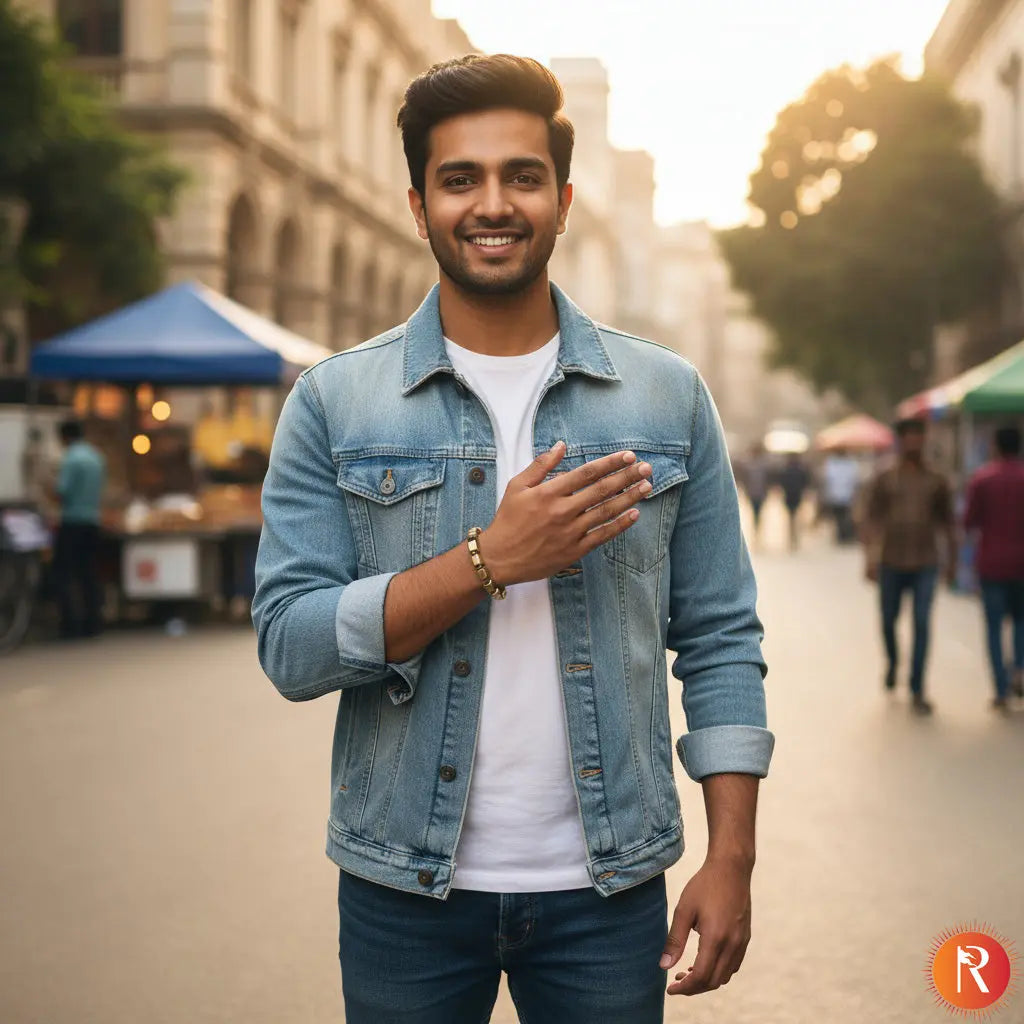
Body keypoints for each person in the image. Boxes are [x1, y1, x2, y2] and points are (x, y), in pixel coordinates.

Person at [252, 55, 774, 1024]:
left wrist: (731, 855)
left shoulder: (665, 395)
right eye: (461, 179)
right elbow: (291, 645)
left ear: (563, 201)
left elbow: (719, 637)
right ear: (419, 206)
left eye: (521, 176)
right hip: (402, 892)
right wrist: (487, 560)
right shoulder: (335, 400)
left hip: (608, 897)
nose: (492, 204)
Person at [863, 418, 956, 714]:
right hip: (890, 559)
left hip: (925, 561)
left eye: (918, 436)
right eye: (909, 437)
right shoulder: (885, 477)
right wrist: (869, 557)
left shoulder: (937, 479)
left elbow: (948, 522)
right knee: (888, 620)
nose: (914, 442)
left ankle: (918, 687)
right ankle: (893, 662)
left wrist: (952, 561)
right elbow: (871, 517)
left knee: (922, 622)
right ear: (900, 440)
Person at [963, 425, 1024, 711]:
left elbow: (969, 521)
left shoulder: (983, 479)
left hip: (992, 564)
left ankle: (1000, 688)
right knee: (1022, 621)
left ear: (995, 446)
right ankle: (1020, 668)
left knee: (994, 627)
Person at [51, 419, 106, 638]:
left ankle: (70, 625)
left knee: (63, 574)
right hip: (93, 521)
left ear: (65, 437)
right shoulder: (96, 457)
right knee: (88, 573)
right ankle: (94, 622)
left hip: (72, 522)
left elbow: (62, 492)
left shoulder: (71, 459)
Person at [821, 447, 860, 544]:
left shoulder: (832, 464)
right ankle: (844, 535)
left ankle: (842, 535)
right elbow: (855, 480)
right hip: (845, 494)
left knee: (839, 516)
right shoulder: (850, 464)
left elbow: (828, 479)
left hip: (837, 495)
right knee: (843, 516)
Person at [777, 452, 810, 550]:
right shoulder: (799, 470)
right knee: (794, 516)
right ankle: (794, 536)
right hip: (795, 495)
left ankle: (793, 535)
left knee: (792, 516)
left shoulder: (786, 470)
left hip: (790, 495)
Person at [739, 442, 771, 544]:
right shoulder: (749, 465)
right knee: (755, 511)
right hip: (753, 492)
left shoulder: (763, 465)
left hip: (760, 493)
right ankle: (756, 528)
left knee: (758, 511)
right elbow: (745, 480)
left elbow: (767, 480)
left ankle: (757, 529)